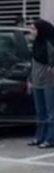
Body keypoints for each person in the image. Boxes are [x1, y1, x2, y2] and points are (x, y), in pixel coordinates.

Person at [28, 19, 54, 148]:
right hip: (36, 80)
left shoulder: (49, 43)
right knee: (40, 112)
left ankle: (50, 139)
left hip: (49, 81)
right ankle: (39, 137)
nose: (31, 31)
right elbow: (32, 63)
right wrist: (30, 80)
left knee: (50, 112)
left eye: (34, 29)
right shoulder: (35, 44)